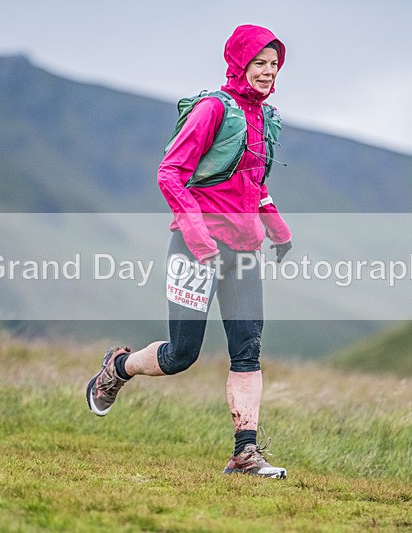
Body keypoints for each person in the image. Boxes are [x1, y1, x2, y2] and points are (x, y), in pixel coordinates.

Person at [85, 24, 292, 479]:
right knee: (182, 355)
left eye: (274, 65)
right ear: (239, 63)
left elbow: (254, 184)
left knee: (248, 352)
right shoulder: (212, 109)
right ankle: (117, 368)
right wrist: (198, 235)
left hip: (242, 250)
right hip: (195, 247)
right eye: (259, 63)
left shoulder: (267, 118)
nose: (267, 72)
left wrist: (276, 228)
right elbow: (170, 173)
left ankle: (245, 452)